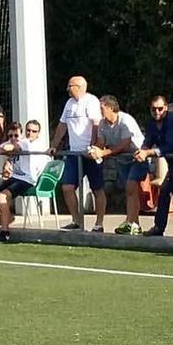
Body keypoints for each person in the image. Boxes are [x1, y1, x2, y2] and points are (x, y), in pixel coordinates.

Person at [49, 76, 105, 232]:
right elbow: (62, 125)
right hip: (74, 154)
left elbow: (96, 124)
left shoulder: (91, 101)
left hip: (91, 154)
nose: (68, 89)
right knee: (67, 187)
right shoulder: (69, 104)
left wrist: (93, 147)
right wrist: (54, 145)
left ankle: (99, 223)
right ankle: (77, 220)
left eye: (70, 86)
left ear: (79, 86)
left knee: (97, 188)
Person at [0, 120, 50, 242]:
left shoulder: (30, 144)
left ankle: (5, 232)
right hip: (16, 177)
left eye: (34, 131)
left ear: (38, 133)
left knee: (3, 196)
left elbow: (10, 147)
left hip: (29, 180)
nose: (30, 133)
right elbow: (1, 148)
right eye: (28, 130)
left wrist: (1, 150)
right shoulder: (21, 141)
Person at [92, 96, 147, 236]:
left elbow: (125, 144)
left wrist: (103, 153)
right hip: (122, 160)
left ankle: (129, 223)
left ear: (110, 108)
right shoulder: (103, 124)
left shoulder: (125, 120)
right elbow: (100, 141)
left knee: (130, 187)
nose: (100, 111)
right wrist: (95, 150)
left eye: (102, 108)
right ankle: (135, 225)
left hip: (137, 158)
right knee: (130, 191)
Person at [136, 96, 173, 237]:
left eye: (160, 109)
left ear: (166, 108)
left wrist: (147, 152)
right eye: (154, 109)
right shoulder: (151, 123)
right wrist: (142, 150)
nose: (157, 112)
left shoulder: (172, 121)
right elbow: (148, 140)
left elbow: (169, 146)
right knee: (164, 193)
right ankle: (159, 227)